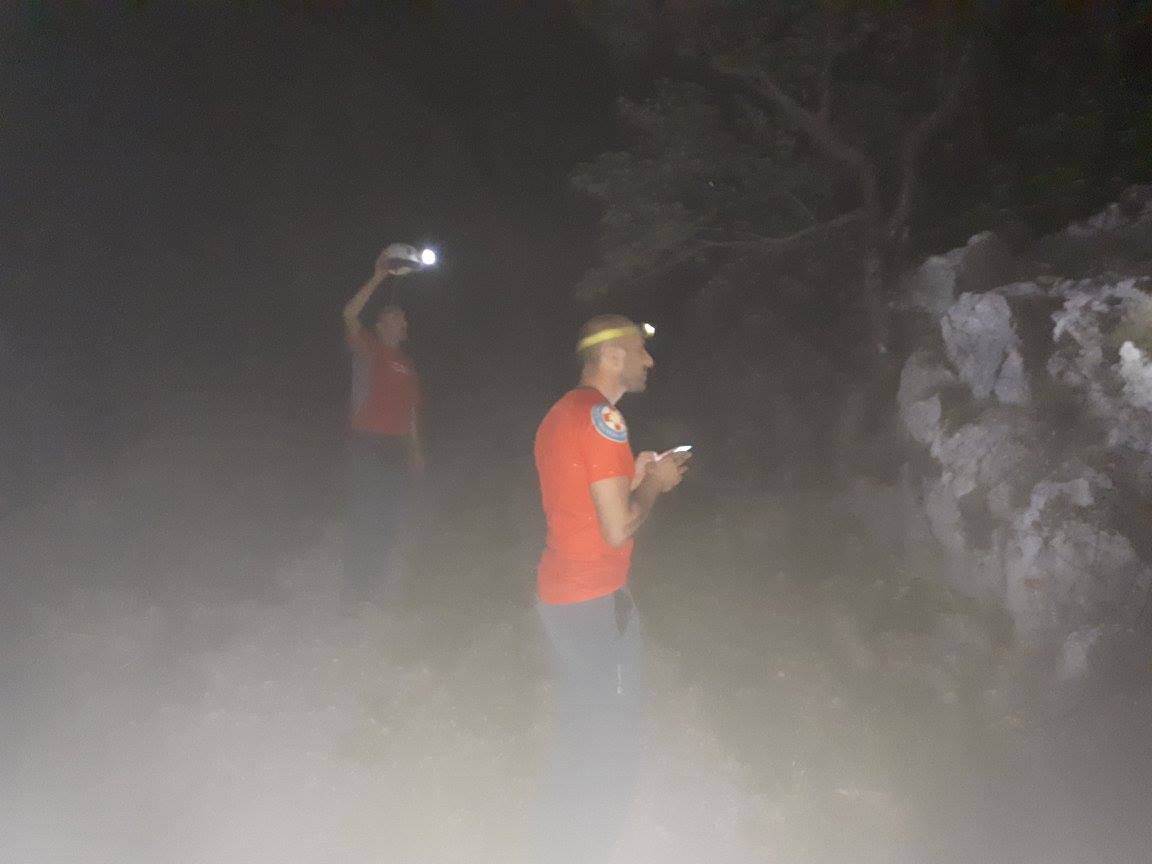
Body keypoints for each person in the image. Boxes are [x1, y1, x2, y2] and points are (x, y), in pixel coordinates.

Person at [532, 314, 690, 864]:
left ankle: (555, 842)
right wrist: (656, 487)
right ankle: (587, 847)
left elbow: (582, 498)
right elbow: (618, 527)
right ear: (612, 356)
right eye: (639, 351)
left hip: (561, 596)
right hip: (594, 602)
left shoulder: (562, 413)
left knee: (580, 730)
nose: (649, 361)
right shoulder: (605, 418)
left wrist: (635, 474)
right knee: (612, 746)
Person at [340, 244, 426, 607]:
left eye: (405, 319)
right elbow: (349, 313)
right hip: (369, 443)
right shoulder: (370, 348)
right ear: (381, 325)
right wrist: (378, 276)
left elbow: (411, 413)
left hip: (397, 447)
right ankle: (353, 592)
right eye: (397, 317)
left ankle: (372, 587)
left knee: (388, 518)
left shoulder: (409, 365)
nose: (404, 322)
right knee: (364, 514)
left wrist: (416, 451)